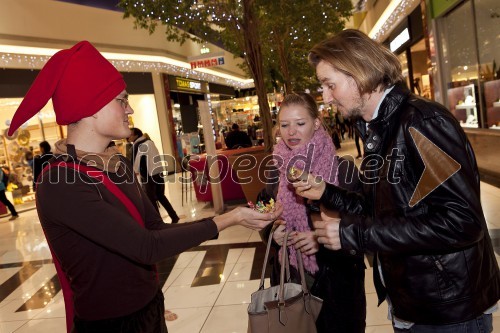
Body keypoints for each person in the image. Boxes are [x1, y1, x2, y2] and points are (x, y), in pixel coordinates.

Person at [7, 40, 283, 333]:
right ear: (91, 107)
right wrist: (229, 219)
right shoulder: (60, 182)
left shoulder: (116, 163)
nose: (130, 110)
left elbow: (153, 228)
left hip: (149, 309)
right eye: (121, 100)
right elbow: (145, 247)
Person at [292, 29, 499, 332]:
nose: (325, 97)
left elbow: (462, 222)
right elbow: (378, 208)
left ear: (358, 75)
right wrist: (326, 192)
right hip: (413, 300)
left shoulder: (422, 122)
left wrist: (355, 235)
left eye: (329, 84)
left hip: (448, 311)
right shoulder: (379, 129)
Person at [260, 92, 366, 332]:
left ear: (316, 123)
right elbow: (263, 206)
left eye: (300, 123)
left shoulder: (343, 169)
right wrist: (271, 232)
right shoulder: (276, 168)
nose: (291, 132)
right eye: (285, 125)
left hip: (336, 283)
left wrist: (321, 238)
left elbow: (365, 220)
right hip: (289, 280)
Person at [128, 127, 179, 223]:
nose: (128, 137)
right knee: (160, 196)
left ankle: (158, 222)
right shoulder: (149, 142)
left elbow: (136, 164)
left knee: (151, 200)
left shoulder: (139, 145)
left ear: (136, 135)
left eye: (130, 135)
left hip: (149, 176)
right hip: (158, 173)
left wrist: (134, 171)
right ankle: (174, 216)